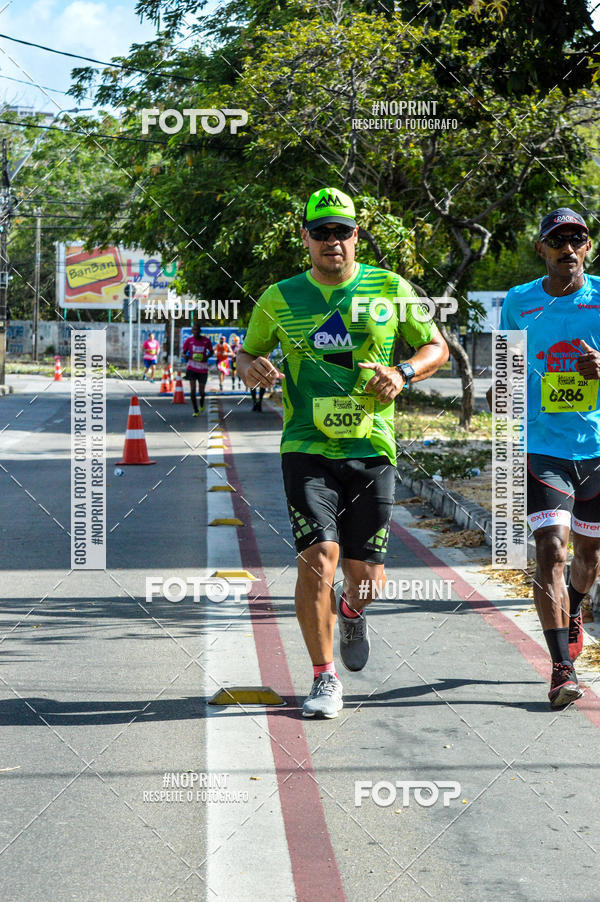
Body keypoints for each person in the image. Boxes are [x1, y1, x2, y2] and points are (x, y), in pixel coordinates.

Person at [236, 187, 448, 718]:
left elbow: (436, 346)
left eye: (343, 230)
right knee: (317, 559)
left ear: (358, 235)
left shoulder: (391, 288)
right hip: (306, 446)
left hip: (372, 448)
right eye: (321, 231)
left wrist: (403, 372)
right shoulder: (279, 296)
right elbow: (248, 353)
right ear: (304, 237)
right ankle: (323, 678)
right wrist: (251, 367)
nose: (333, 240)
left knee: (365, 575)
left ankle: (352, 609)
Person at [486, 208, 600, 709]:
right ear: (542, 249)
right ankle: (560, 668)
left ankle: (574, 607)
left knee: (589, 560)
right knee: (551, 550)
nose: (568, 250)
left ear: (588, 247)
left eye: (577, 240)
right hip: (542, 449)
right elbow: (507, 366)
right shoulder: (519, 302)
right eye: (558, 241)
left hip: (596, 450)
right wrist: (498, 390)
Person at [182, 322, 213, 415]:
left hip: (203, 368)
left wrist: (206, 357)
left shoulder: (206, 341)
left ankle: (202, 403)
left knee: (201, 391)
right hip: (191, 367)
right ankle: (195, 410)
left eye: (197, 330)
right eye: (193, 330)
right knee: (192, 390)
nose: (195, 332)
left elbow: (211, 352)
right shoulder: (189, 341)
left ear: (200, 331)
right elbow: (183, 352)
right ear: (192, 331)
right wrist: (185, 357)